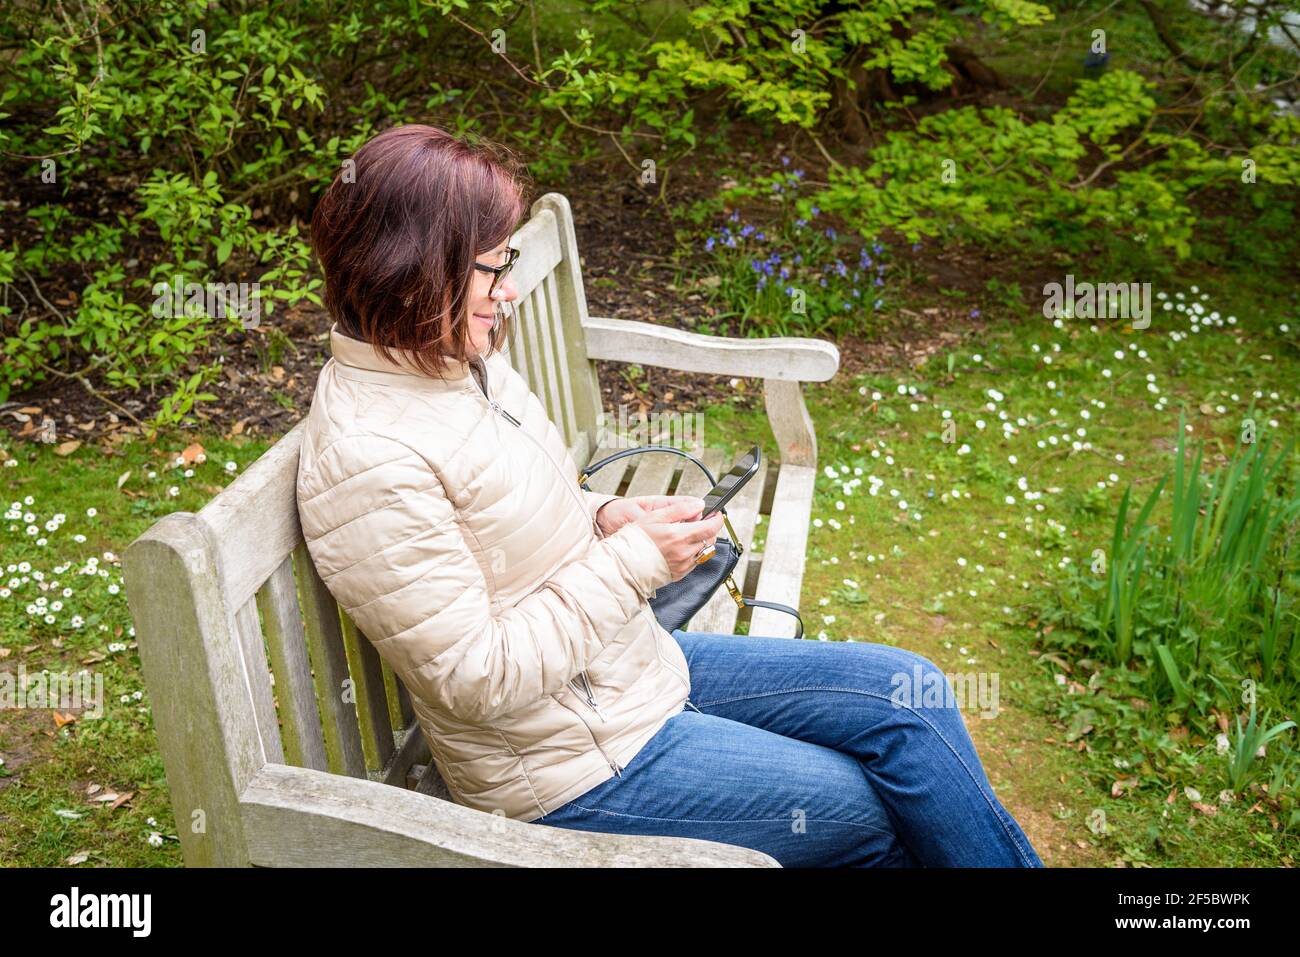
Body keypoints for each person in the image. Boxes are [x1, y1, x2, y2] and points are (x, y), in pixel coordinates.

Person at [297, 123, 1043, 868]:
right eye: (493, 268)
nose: (511, 289)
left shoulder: (451, 362)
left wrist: (608, 515)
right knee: (867, 811)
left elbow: (507, 527)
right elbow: (475, 675)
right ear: (415, 270)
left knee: (910, 694)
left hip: (631, 673)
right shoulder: (369, 454)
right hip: (574, 768)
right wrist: (631, 563)